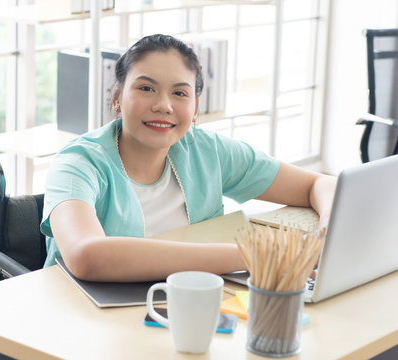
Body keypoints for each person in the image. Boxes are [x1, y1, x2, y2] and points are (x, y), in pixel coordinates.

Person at [40, 34, 336, 282]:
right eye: (146, 88)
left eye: (180, 93)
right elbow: (86, 255)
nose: (163, 105)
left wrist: (328, 226)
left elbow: (320, 185)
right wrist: (256, 254)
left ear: (195, 108)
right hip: (82, 317)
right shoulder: (77, 163)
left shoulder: (206, 150)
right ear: (117, 97)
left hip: (185, 298)